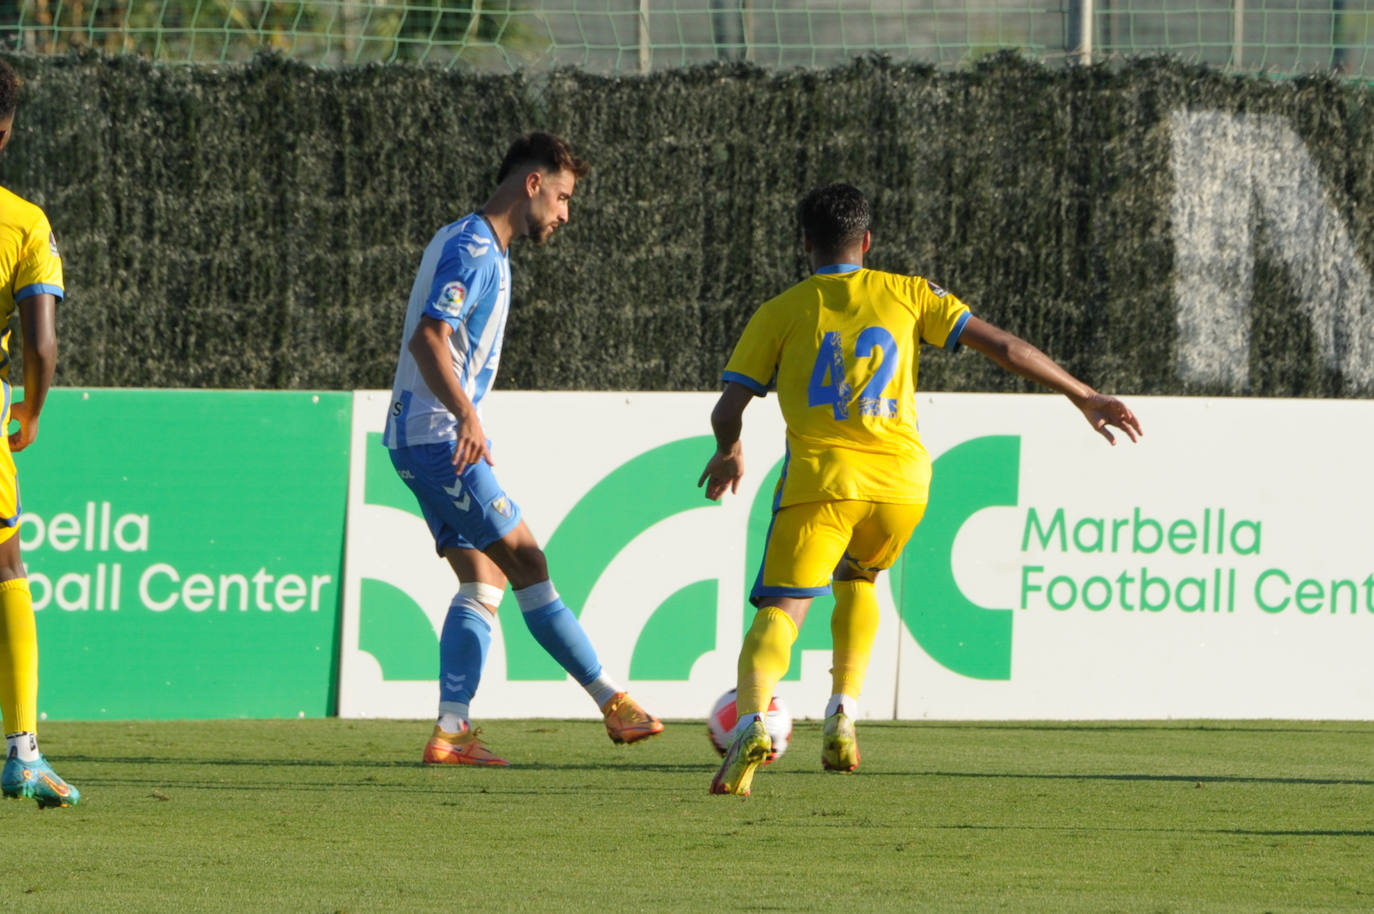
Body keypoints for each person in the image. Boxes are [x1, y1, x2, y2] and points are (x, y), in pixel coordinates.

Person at [699, 183, 1141, 796]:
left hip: (824, 483)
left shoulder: (781, 310)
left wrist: (728, 450)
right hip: (903, 486)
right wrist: (1083, 394)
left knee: (782, 610)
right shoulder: (908, 292)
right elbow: (1005, 347)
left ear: (805, 244)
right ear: (868, 242)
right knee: (858, 579)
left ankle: (752, 722)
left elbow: (729, 408)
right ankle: (843, 714)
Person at [384, 132, 663, 766]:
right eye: (563, 197)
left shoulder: (475, 244)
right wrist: (466, 416)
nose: (566, 214)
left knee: (483, 581)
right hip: (437, 439)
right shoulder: (475, 249)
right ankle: (612, 703)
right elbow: (429, 338)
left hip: (420, 439)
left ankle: (451, 733)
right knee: (528, 562)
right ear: (532, 184)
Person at [0, 61, 78, 809]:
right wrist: (31, 408)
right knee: (5, 564)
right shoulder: (24, 223)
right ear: (2, 130)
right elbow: (43, 345)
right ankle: (21, 751)